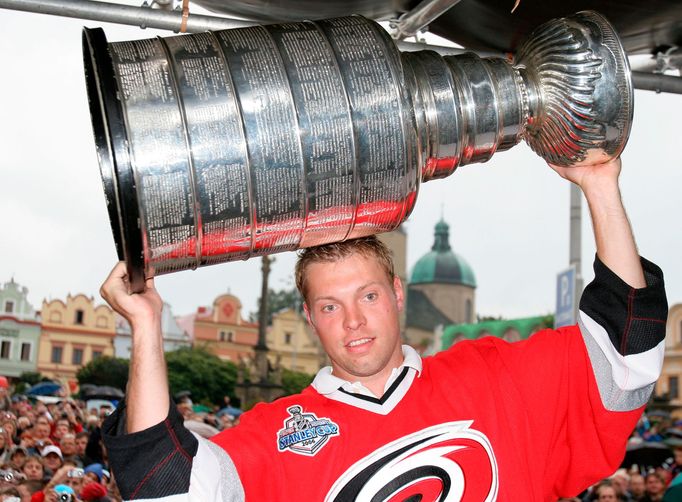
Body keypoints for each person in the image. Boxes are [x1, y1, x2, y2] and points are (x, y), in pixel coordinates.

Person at [99, 157, 668, 500]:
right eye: (329, 306)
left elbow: (626, 354)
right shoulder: (273, 436)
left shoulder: (493, 374)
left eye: (368, 295)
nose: (353, 321)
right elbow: (164, 485)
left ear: (399, 295)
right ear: (309, 317)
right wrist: (146, 327)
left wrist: (599, 186)